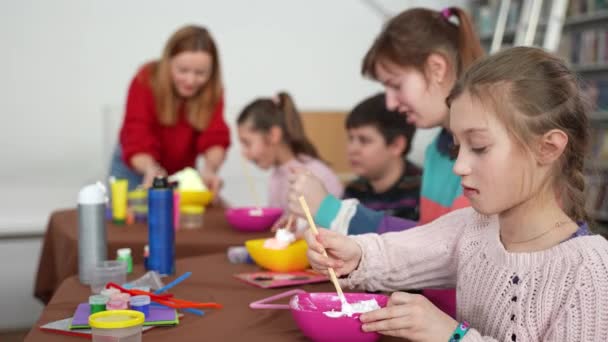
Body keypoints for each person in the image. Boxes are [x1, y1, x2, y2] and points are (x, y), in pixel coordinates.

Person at [304, 46, 608, 341]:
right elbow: (391, 255)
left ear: (548, 148)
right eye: (456, 147)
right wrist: (352, 255)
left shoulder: (589, 272)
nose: (459, 166)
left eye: (479, 147)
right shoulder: (472, 228)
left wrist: (453, 337)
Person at [287, 6, 484, 316]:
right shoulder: (437, 151)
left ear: (437, 68)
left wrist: (333, 211)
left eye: (395, 84)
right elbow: (429, 238)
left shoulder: (479, 159)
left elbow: (454, 252)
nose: (391, 103)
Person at [109, 25, 230, 193]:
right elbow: (137, 135)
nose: (190, 80)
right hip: (136, 168)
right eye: (183, 70)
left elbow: (215, 137)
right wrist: (151, 169)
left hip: (180, 170)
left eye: (200, 73)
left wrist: (210, 169)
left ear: (212, 71)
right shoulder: (146, 80)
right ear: (168, 62)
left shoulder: (213, 90)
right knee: (130, 217)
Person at [237, 92, 343, 213]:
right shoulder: (276, 175)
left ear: (273, 135)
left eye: (247, 143)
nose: (244, 154)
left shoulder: (315, 175)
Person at [343, 93, 421, 222]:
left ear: (396, 145)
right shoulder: (353, 191)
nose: (352, 149)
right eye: (350, 139)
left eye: (364, 140)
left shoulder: (421, 190)